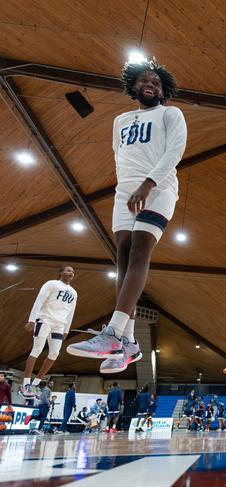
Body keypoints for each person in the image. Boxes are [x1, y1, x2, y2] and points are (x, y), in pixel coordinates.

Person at [67, 59, 186, 374]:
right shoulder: (120, 120)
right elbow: (120, 157)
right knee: (121, 256)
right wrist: (129, 189)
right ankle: (129, 343)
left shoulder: (170, 114)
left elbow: (174, 152)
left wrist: (147, 185)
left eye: (156, 83)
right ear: (133, 86)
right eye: (145, 80)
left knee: (139, 251)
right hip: (125, 192)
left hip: (158, 190)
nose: (151, 84)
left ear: (163, 91)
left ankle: (113, 332)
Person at [21, 266, 77, 398]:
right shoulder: (51, 284)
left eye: (73, 272)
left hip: (59, 324)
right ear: (61, 272)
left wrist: (66, 330)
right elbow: (38, 301)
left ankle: (35, 384)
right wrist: (32, 319)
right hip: (45, 319)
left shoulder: (74, 292)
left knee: (55, 353)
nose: (71, 273)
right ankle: (25, 384)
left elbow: (71, 312)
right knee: (37, 349)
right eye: (68, 270)